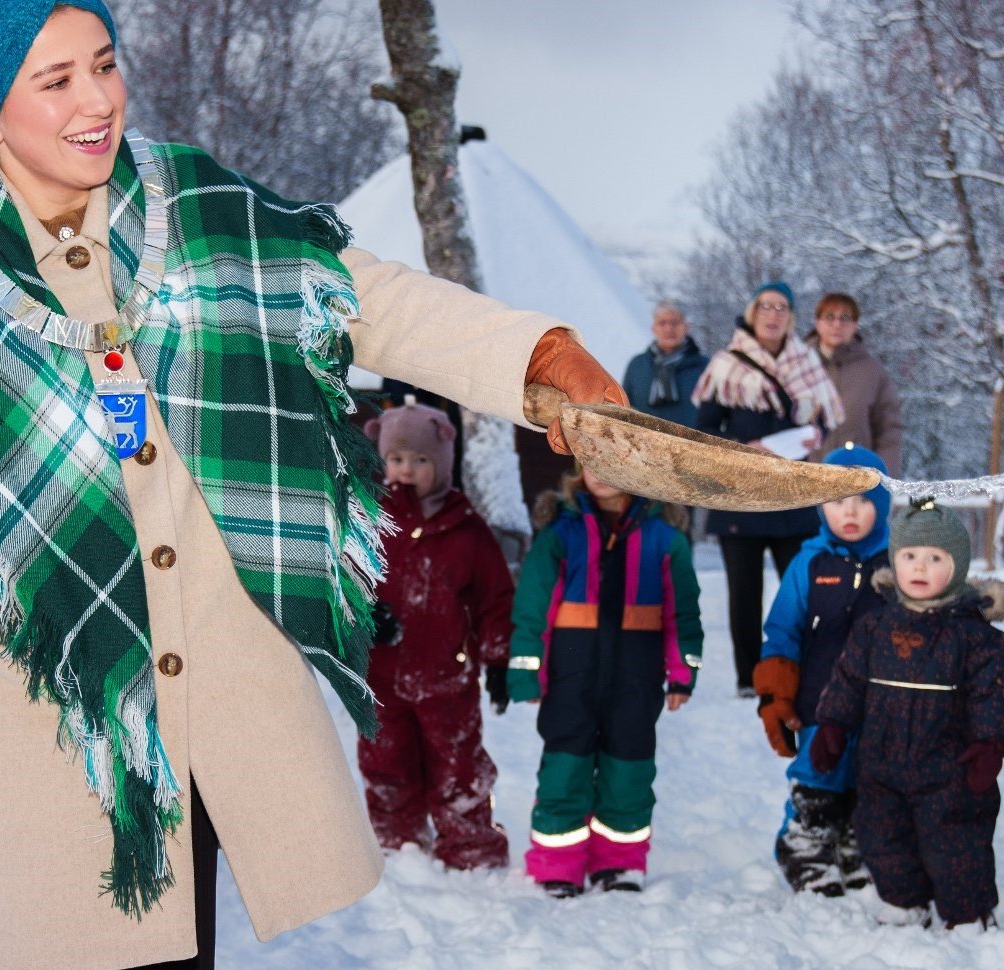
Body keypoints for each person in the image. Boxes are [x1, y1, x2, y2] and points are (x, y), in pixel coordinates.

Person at [0, 0, 623, 970]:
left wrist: (530, 352)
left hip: (202, 714)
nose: (98, 100)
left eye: (105, 63)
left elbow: (364, 295)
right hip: (55, 733)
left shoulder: (195, 209)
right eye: (56, 80)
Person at [809, 499, 1004, 929]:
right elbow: (848, 678)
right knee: (882, 836)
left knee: (957, 842)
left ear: (957, 565)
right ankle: (903, 901)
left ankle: (967, 913)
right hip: (881, 764)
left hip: (950, 768)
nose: (919, 568)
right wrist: (832, 724)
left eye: (934, 558)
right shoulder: (875, 626)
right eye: (908, 556)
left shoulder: (976, 637)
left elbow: (990, 693)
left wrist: (988, 743)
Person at [508, 464, 703, 897]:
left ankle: (619, 864)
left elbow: (683, 614)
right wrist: (527, 669)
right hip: (570, 671)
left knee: (628, 770)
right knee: (565, 766)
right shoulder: (561, 532)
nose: (599, 472)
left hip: (636, 675)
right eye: (589, 462)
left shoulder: (664, 540)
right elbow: (533, 605)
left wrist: (682, 671)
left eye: (612, 462)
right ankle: (557, 864)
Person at [358, 402, 514, 869]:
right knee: (385, 762)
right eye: (397, 459)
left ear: (442, 462)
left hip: (447, 676)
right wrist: (365, 616)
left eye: (420, 460)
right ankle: (396, 841)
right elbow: (344, 584)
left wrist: (500, 660)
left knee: (457, 765)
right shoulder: (369, 521)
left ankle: (470, 845)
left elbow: (496, 599)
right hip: (381, 676)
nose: (407, 470)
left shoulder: (466, 530)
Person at [692, 281, 844, 697]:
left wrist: (815, 434)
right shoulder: (727, 363)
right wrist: (744, 449)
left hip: (791, 493)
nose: (773, 315)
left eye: (782, 308)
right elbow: (703, 428)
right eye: (766, 307)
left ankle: (799, 666)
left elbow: (825, 416)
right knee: (744, 593)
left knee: (800, 588)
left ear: (791, 318)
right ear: (752, 313)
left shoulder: (807, 362)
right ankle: (748, 677)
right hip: (738, 494)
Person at [754, 445, 891, 895]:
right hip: (820, 699)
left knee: (869, 775)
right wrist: (776, 694)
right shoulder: (808, 563)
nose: (849, 512)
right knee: (818, 774)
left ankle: (856, 847)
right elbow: (782, 630)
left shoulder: (897, 563)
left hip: (880, 705)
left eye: (863, 500)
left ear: (883, 504)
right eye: (837, 501)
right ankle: (805, 845)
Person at [808, 293, 904, 471]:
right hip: (802, 481)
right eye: (830, 317)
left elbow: (889, 429)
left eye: (845, 318)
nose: (837, 324)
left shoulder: (872, 371)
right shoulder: (797, 365)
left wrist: (884, 479)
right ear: (817, 323)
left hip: (855, 483)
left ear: (855, 325)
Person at [621, 299, 707, 427]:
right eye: (662, 323)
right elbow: (624, 409)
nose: (669, 329)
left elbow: (715, 417)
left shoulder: (704, 366)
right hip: (641, 443)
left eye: (675, 323)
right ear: (653, 328)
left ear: (686, 327)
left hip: (691, 445)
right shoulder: (637, 365)